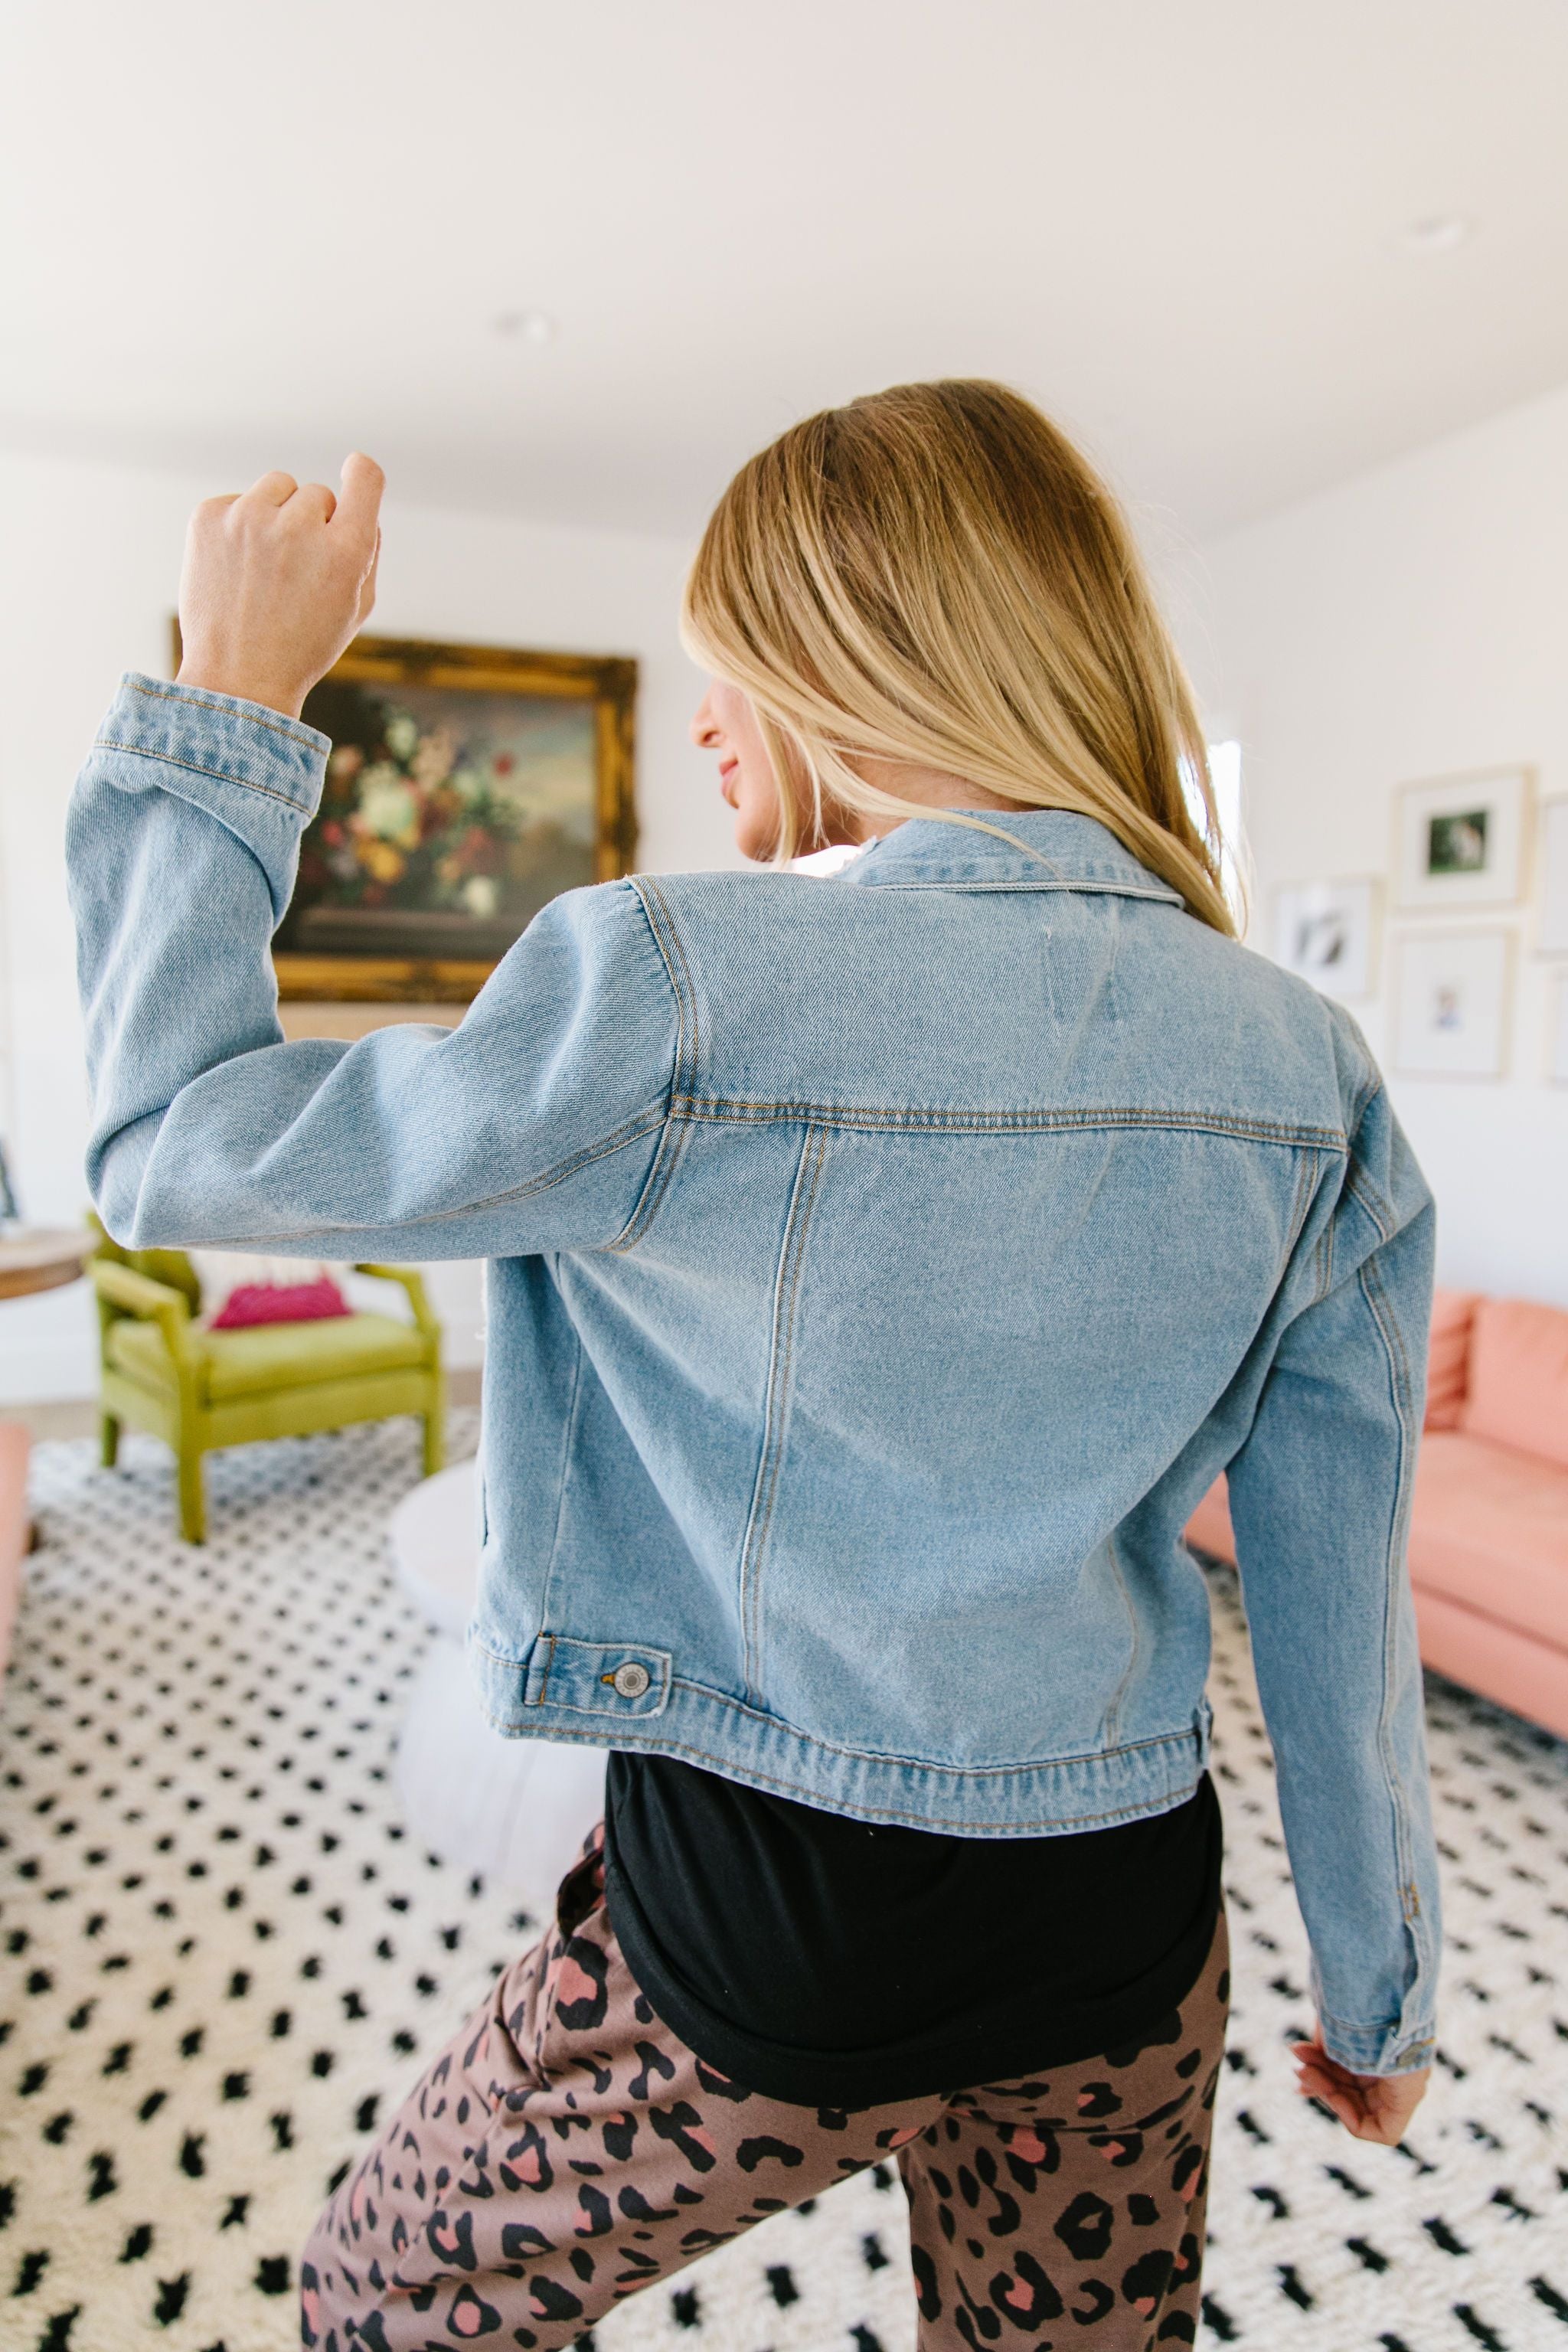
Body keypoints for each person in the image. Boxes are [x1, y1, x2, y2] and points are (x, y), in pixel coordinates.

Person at [67, 381, 1439, 2352]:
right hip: (1125, 1928)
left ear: (862, 656)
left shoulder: (671, 984)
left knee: (386, 2294)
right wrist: (1381, 1978)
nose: (707, 719)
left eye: (734, 667)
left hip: (775, 1931)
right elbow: (1338, 1589)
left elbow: (167, 1147)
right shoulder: (1309, 1072)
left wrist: (236, 691)